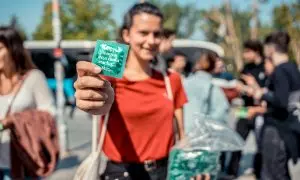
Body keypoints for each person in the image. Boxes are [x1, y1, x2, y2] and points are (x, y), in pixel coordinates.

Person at [74, 3, 193, 180]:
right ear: (126, 34)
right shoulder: (110, 79)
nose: (151, 41)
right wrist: (89, 98)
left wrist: (191, 166)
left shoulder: (172, 80)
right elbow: (98, 106)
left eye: (157, 34)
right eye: (143, 33)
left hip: (164, 171)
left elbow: (182, 134)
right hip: (121, 173)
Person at [242, 31, 300, 180]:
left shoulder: (280, 70)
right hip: (289, 129)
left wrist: (261, 94)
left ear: (271, 48)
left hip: (277, 129)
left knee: (271, 174)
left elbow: (281, 101)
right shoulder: (292, 68)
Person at [0, 27, 55, 179]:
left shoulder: (33, 78)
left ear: (13, 49)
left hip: (25, 163)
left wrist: (14, 120)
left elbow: (50, 114)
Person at [226, 40, 266, 179]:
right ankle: (232, 171)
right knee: (237, 140)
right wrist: (241, 88)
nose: (245, 55)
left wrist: (254, 87)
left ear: (257, 51)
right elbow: (240, 86)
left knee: (261, 144)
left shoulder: (266, 67)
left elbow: (266, 91)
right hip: (244, 109)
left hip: (259, 111)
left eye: (248, 51)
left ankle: (259, 171)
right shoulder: (246, 68)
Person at [184, 51, 230, 132]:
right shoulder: (211, 87)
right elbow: (221, 112)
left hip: (182, 135)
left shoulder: (184, 82)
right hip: (200, 134)